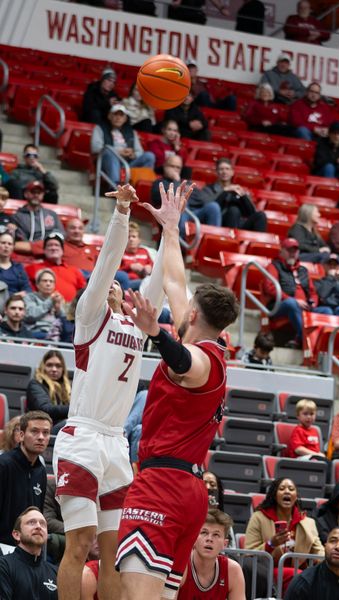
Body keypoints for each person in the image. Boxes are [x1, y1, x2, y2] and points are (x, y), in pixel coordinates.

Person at [116, 183, 240, 599]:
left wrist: (156, 335)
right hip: (188, 489)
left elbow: (186, 364)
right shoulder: (209, 339)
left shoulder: (206, 358)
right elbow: (173, 275)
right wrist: (170, 228)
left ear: (191, 314)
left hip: (164, 484)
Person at [53, 183, 166, 600]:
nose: (116, 285)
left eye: (122, 285)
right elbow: (105, 266)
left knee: (116, 552)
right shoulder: (89, 317)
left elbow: (158, 279)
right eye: (111, 286)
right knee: (79, 543)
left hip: (116, 443)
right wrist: (122, 214)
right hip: (82, 438)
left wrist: (169, 232)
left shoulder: (138, 324)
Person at [244, 478, 324, 592]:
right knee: (298, 576)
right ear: (274, 495)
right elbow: (248, 553)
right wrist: (271, 544)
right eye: (281, 489)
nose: (287, 491)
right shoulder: (259, 517)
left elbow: (319, 551)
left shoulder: (308, 522)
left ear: (296, 496)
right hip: (265, 572)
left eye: (291, 489)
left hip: (299, 573)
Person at [262, 237, 332, 349]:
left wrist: (313, 302)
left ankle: (320, 344)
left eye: (295, 251)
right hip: (279, 306)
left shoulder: (303, 270)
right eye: (289, 251)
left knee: (326, 311)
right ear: (282, 251)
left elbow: (313, 292)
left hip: (304, 306)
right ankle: (305, 340)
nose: (293, 254)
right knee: (292, 304)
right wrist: (294, 301)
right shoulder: (274, 266)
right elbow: (270, 288)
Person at [0, 410, 52, 546]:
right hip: (3, 547)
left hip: (29, 549)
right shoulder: (4, 465)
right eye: (34, 431)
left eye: (45, 433)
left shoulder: (41, 470)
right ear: (21, 435)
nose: (41, 437)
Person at [177, 509, 246, 599]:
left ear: (224, 544)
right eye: (204, 532)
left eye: (216, 535)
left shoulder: (232, 570)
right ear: (194, 538)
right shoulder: (181, 565)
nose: (209, 539)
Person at [151, 154, 222, 239]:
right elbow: (168, 198)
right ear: (165, 166)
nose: (175, 170)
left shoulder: (187, 183)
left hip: (194, 212)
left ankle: (213, 239)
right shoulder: (159, 183)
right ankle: (180, 239)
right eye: (172, 166)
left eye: (178, 167)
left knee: (213, 206)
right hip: (173, 215)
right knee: (182, 203)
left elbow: (201, 199)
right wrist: (176, 181)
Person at [91, 104, 156, 188]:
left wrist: (133, 154)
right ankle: (115, 187)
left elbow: (140, 151)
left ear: (125, 118)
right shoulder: (100, 128)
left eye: (121, 115)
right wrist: (118, 152)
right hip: (108, 163)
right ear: (109, 116)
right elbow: (95, 148)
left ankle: (141, 186)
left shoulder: (131, 132)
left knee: (150, 156)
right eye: (115, 114)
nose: (118, 118)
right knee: (108, 151)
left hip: (127, 165)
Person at [0, 507, 58, 599]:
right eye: (31, 522)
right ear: (17, 535)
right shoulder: (4, 566)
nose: (38, 526)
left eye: (43, 524)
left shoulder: (56, 573)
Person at [199, 158, 267, 232]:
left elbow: (251, 212)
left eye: (227, 169)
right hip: (219, 223)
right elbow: (209, 208)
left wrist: (243, 196)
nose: (224, 172)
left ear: (232, 172)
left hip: (238, 224)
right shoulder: (208, 189)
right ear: (216, 172)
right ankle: (230, 241)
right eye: (221, 169)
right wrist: (224, 191)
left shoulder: (237, 189)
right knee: (234, 210)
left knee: (261, 215)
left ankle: (257, 243)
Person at [25, 231, 86, 302]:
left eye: (56, 245)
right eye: (49, 245)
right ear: (44, 250)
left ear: (62, 250)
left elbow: (83, 291)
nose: (53, 248)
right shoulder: (32, 268)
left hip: (70, 309)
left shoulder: (74, 270)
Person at [27, 350, 71, 433]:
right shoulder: (36, 384)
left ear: (63, 369)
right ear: (43, 367)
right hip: (40, 430)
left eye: (58, 366)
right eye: (49, 365)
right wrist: (73, 409)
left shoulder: (67, 387)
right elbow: (45, 410)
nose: (54, 369)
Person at [24, 268, 65, 341]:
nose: (48, 284)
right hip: (36, 332)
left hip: (55, 334)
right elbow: (30, 315)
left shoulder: (58, 299)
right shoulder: (30, 297)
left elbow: (65, 322)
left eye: (51, 281)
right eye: (45, 281)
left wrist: (58, 309)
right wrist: (50, 301)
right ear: (37, 284)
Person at [120, 221, 153, 291]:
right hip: (127, 283)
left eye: (134, 236)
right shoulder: (121, 253)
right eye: (128, 237)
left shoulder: (144, 251)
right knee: (147, 284)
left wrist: (149, 268)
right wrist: (130, 267)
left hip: (144, 280)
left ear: (139, 240)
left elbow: (152, 265)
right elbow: (115, 273)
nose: (131, 239)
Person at [0, 231, 32, 296]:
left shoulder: (18, 267)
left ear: (13, 247)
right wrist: (13, 296)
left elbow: (27, 288)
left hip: (16, 303)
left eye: (9, 244)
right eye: (3, 243)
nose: (6, 246)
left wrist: (25, 293)